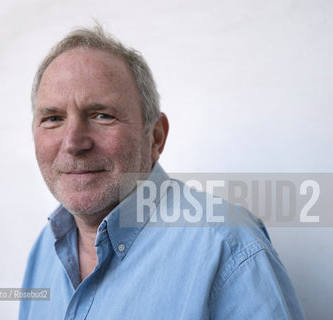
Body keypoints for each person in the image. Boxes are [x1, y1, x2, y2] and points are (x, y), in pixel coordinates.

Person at [20, 25, 306, 319]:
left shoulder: (228, 247)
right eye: (53, 118)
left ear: (155, 136)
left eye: (102, 115)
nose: (73, 143)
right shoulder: (44, 251)